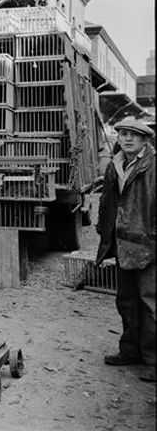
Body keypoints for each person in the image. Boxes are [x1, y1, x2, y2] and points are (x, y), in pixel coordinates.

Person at [96, 119, 155, 383]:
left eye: (134, 135)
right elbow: (108, 200)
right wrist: (103, 229)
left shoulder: (153, 165)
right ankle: (130, 350)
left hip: (148, 245)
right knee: (127, 300)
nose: (127, 138)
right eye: (123, 134)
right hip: (122, 243)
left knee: (151, 303)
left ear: (145, 141)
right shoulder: (116, 164)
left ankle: (153, 360)